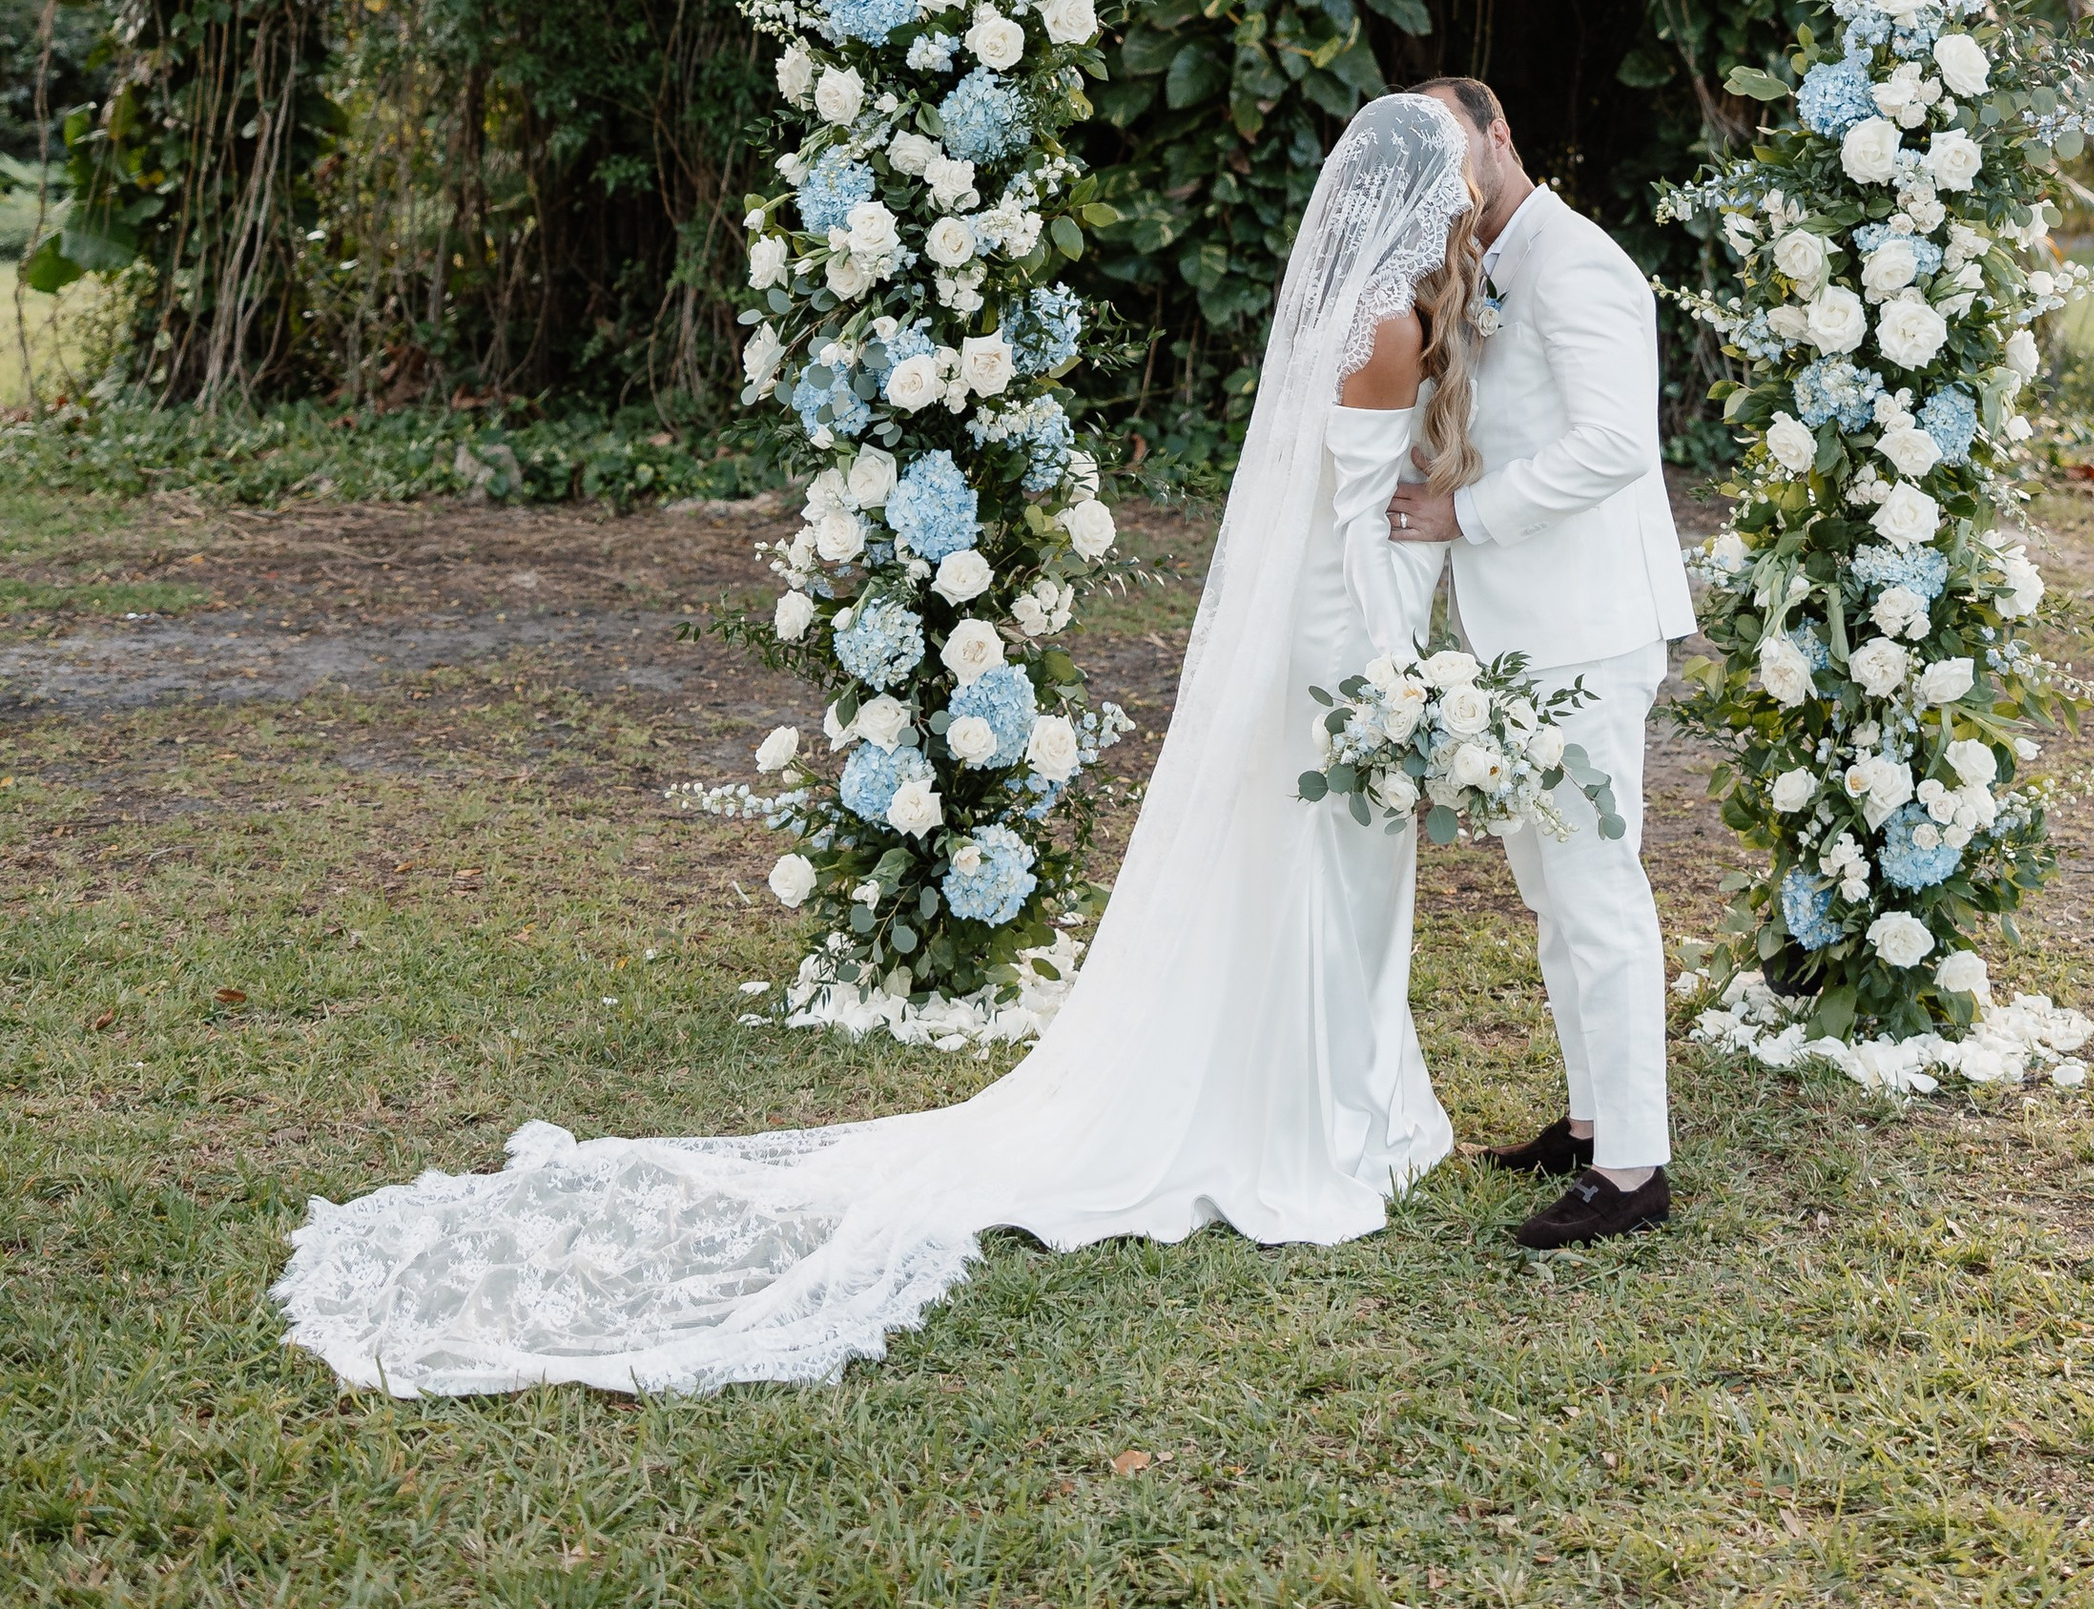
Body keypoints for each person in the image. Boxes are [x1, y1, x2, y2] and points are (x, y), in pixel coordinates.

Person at [274, 92, 1492, 1397]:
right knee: (1323, 867)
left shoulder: (1385, 313)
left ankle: (1346, 1091)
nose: (1472, 188)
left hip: (1345, 624)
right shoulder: (1383, 327)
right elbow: (1358, 530)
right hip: (1343, 635)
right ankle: (1310, 1116)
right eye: (1458, 172)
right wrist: (1401, 686)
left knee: (1334, 869)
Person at [1389, 75, 1695, 1249]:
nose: (1442, 175)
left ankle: (1632, 1169)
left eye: (1451, 145)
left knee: (1596, 890)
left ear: (1499, 135)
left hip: (1588, 627)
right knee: (1550, 893)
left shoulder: (1577, 265)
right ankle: (1589, 1121)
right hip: (1523, 633)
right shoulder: (1483, 263)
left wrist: (1464, 516)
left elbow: (1615, 443)